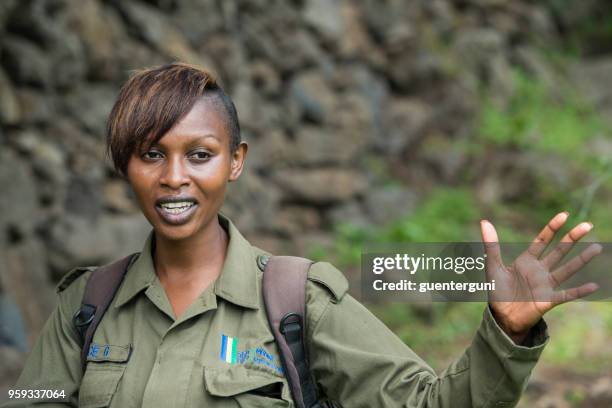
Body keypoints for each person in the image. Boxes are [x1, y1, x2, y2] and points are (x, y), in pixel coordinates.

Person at [4, 62, 600, 408]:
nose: (174, 177)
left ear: (235, 161)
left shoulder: (297, 299)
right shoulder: (86, 308)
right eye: (151, 154)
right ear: (125, 165)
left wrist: (506, 331)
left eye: (200, 154)